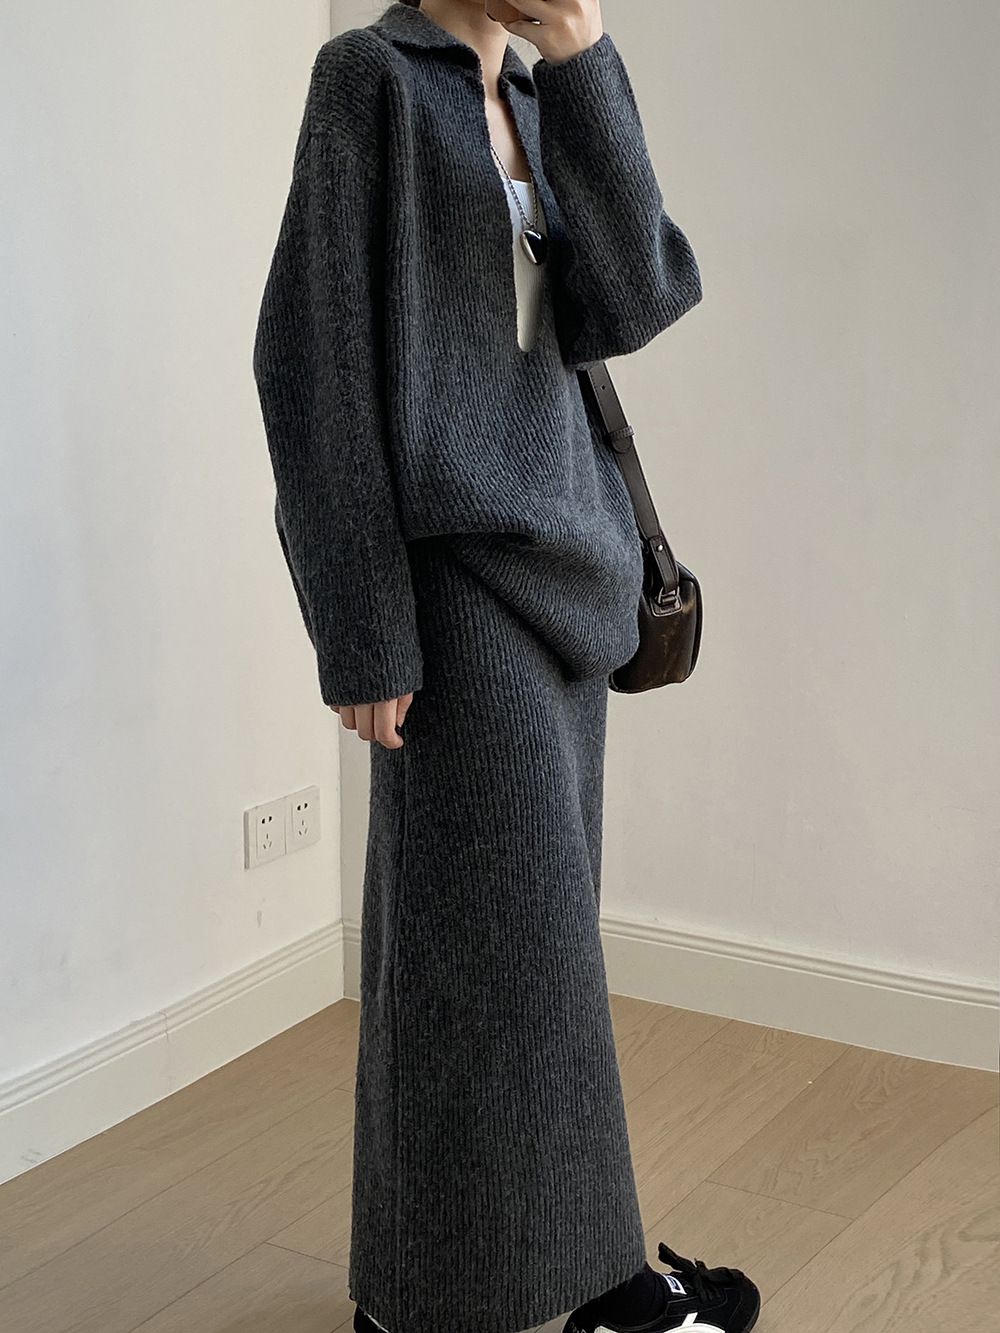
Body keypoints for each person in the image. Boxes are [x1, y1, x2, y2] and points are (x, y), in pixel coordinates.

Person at [252, 3, 760, 1331]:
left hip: (572, 574)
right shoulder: (368, 80)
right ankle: (601, 1291)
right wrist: (362, 625)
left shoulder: (542, 98)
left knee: (501, 954)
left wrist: (582, 60)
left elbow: (637, 297)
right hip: (456, 583)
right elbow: (311, 364)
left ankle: (428, 1293)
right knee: (504, 959)